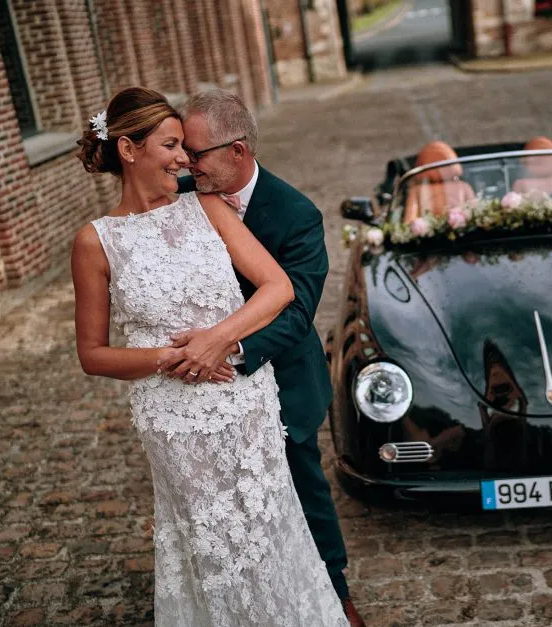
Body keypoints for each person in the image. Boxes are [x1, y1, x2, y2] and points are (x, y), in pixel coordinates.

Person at [72, 86, 348, 626]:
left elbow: (280, 289)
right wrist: (168, 359)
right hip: (173, 419)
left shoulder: (207, 206)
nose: (183, 160)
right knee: (210, 541)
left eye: (188, 149)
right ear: (128, 150)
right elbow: (93, 354)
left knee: (275, 524)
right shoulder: (95, 242)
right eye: (172, 146)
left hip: (246, 401)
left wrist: (219, 339)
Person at [156, 88, 365, 627]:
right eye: (182, 151)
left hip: (284, 378)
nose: (186, 162)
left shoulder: (297, 214)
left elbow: (296, 315)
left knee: (302, 485)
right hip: (205, 387)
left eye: (196, 153)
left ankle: (335, 591)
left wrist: (231, 347)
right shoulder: (180, 197)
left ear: (239, 151)